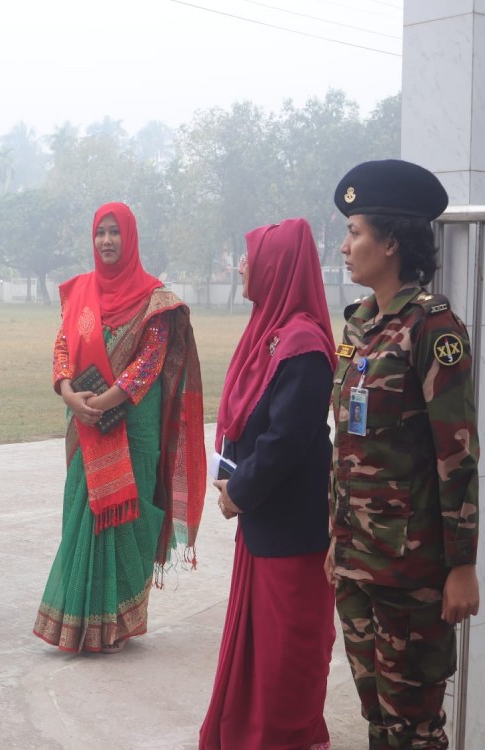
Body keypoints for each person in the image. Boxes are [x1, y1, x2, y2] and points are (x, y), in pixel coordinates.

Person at [326, 159, 480, 747]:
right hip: (358, 561)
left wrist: (461, 564)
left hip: (411, 571)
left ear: (391, 243)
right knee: (378, 719)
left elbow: (456, 454)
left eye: (355, 233)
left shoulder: (433, 329)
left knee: (414, 727)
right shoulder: (362, 326)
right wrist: (337, 538)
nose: (345, 247)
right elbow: (347, 443)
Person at [32, 201, 206, 654]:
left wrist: (103, 402)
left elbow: (149, 363)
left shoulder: (155, 299)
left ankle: (117, 624)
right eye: (100, 232)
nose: (107, 240)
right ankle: (79, 623)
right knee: (84, 511)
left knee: (130, 517)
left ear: (130, 238)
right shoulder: (80, 292)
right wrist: (69, 394)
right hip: (86, 424)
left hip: (133, 425)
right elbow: (62, 347)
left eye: (115, 232)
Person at [199, 218, 337, 749]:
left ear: (276, 267)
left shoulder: (302, 344)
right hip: (266, 527)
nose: (241, 267)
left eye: (249, 257)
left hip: (291, 532)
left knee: (287, 655)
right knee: (264, 650)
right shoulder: (271, 332)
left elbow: (286, 440)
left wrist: (239, 490)